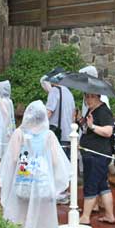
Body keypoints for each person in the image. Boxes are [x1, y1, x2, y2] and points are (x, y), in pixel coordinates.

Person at [0, 101, 71, 228]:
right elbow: (57, 161)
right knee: (42, 216)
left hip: (23, 181)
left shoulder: (19, 133)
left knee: (22, 214)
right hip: (42, 183)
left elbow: (12, 159)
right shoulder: (49, 135)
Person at [79, 92, 115, 225]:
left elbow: (108, 131)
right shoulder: (91, 109)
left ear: (98, 96)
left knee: (91, 183)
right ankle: (109, 215)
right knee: (102, 185)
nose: (88, 100)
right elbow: (86, 128)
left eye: (91, 97)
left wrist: (93, 127)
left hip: (97, 154)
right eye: (86, 97)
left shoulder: (103, 111)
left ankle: (85, 216)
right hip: (92, 153)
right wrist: (79, 121)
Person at [43, 71, 75, 204]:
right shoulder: (69, 92)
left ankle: (59, 193)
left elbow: (49, 111)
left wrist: (39, 124)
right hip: (69, 133)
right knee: (66, 164)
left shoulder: (54, 91)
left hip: (57, 133)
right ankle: (67, 192)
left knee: (55, 163)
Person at [0, 80, 16, 147]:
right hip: (9, 127)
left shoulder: (3, 101)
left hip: (4, 128)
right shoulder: (9, 100)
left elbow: (5, 117)